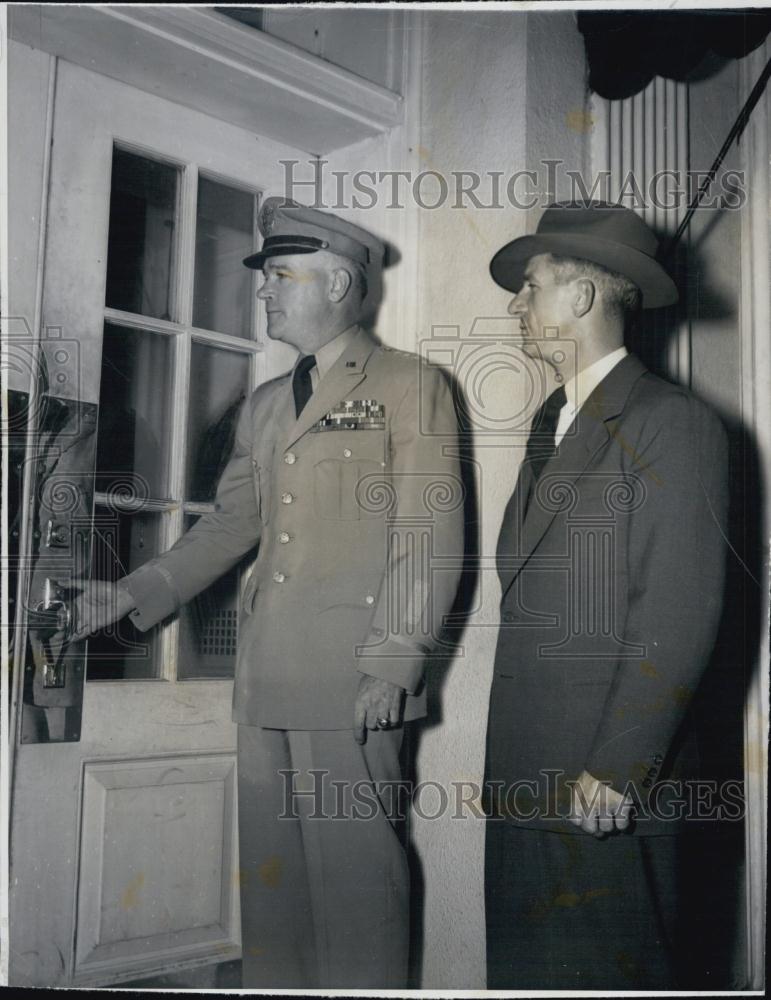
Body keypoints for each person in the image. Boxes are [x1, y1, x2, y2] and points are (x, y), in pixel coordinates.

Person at [74, 198, 463, 989]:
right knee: (274, 897)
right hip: (265, 679)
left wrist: (393, 661)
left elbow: (427, 532)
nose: (263, 290)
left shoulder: (408, 384)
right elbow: (231, 525)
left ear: (339, 283)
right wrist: (134, 593)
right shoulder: (264, 404)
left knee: (357, 897)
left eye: (281, 275)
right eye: (266, 277)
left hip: (353, 684)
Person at [484, 201, 729, 989]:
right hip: (526, 771)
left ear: (582, 296)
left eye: (530, 286)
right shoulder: (551, 422)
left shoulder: (671, 422)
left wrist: (621, 765)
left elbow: (677, 608)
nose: (516, 306)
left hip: (601, 781)